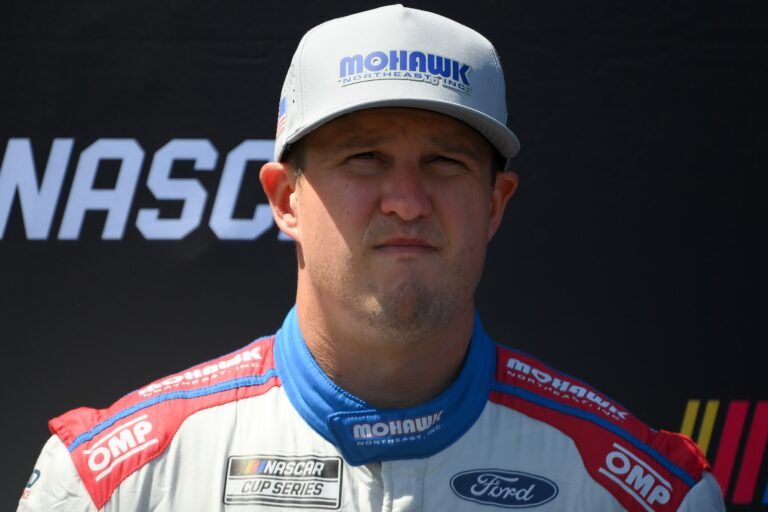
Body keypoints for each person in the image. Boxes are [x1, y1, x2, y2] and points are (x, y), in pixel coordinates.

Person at [19, 5, 725, 511]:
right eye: (365, 158)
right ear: (286, 199)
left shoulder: (643, 493)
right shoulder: (112, 485)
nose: (408, 202)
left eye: (445, 163)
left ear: (495, 204)